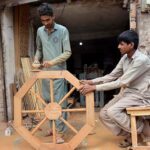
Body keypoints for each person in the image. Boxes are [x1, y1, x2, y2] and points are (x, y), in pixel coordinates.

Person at [79, 30, 150, 147]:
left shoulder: (141, 60)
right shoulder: (125, 58)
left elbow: (121, 82)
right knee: (103, 114)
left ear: (131, 45)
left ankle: (142, 128)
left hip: (141, 94)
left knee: (113, 111)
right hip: (128, 92)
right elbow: (112, 76)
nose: (118, 47)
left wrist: (94, 88)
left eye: (122, 44)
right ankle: (131, 133)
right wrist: (91, 81)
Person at [32, 3, 72, 143]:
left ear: (53, 17)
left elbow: (67, 52)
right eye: (43, 20)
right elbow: (39, 49)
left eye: (48, 20)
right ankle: (52, 128)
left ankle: (60, 132)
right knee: (47, 102)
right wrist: (37, 58)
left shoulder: (63, 30)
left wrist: (53, 62)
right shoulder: (39, 31)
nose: (46, 23)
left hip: (59, 73)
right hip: (45, 74)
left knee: (59, 103)